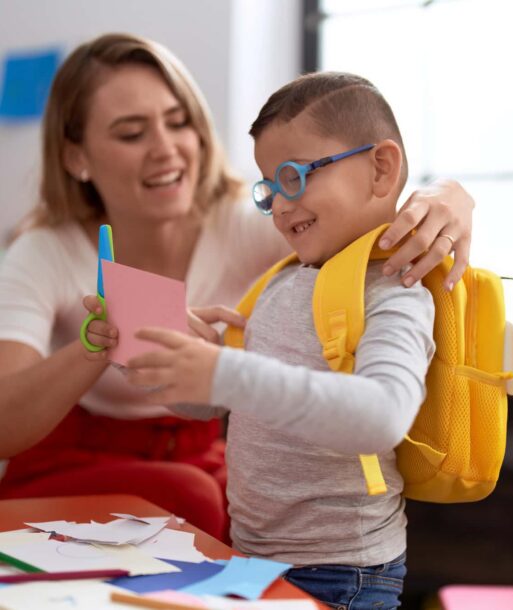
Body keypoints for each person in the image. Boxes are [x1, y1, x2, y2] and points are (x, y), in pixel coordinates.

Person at [0, 33, 474, 540]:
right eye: (131, 133)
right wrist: (95, 345)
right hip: (73, 461)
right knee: (199, 500)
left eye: (179, 122)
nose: (167, 148)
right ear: (77, 158)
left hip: (202, 456)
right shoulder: (45, 248)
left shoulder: (251, 224)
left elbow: (365, 227)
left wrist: (450, 196)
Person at [124, 71, 440, 609]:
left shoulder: (395, 290)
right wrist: (146, 353)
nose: (280, 205)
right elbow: (208, 402)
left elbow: (382, 415)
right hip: (252, 557)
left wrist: (222, 369)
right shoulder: (282, 282)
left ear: (380, 168)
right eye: (268, 188)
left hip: (341, 574)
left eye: (294, 177)